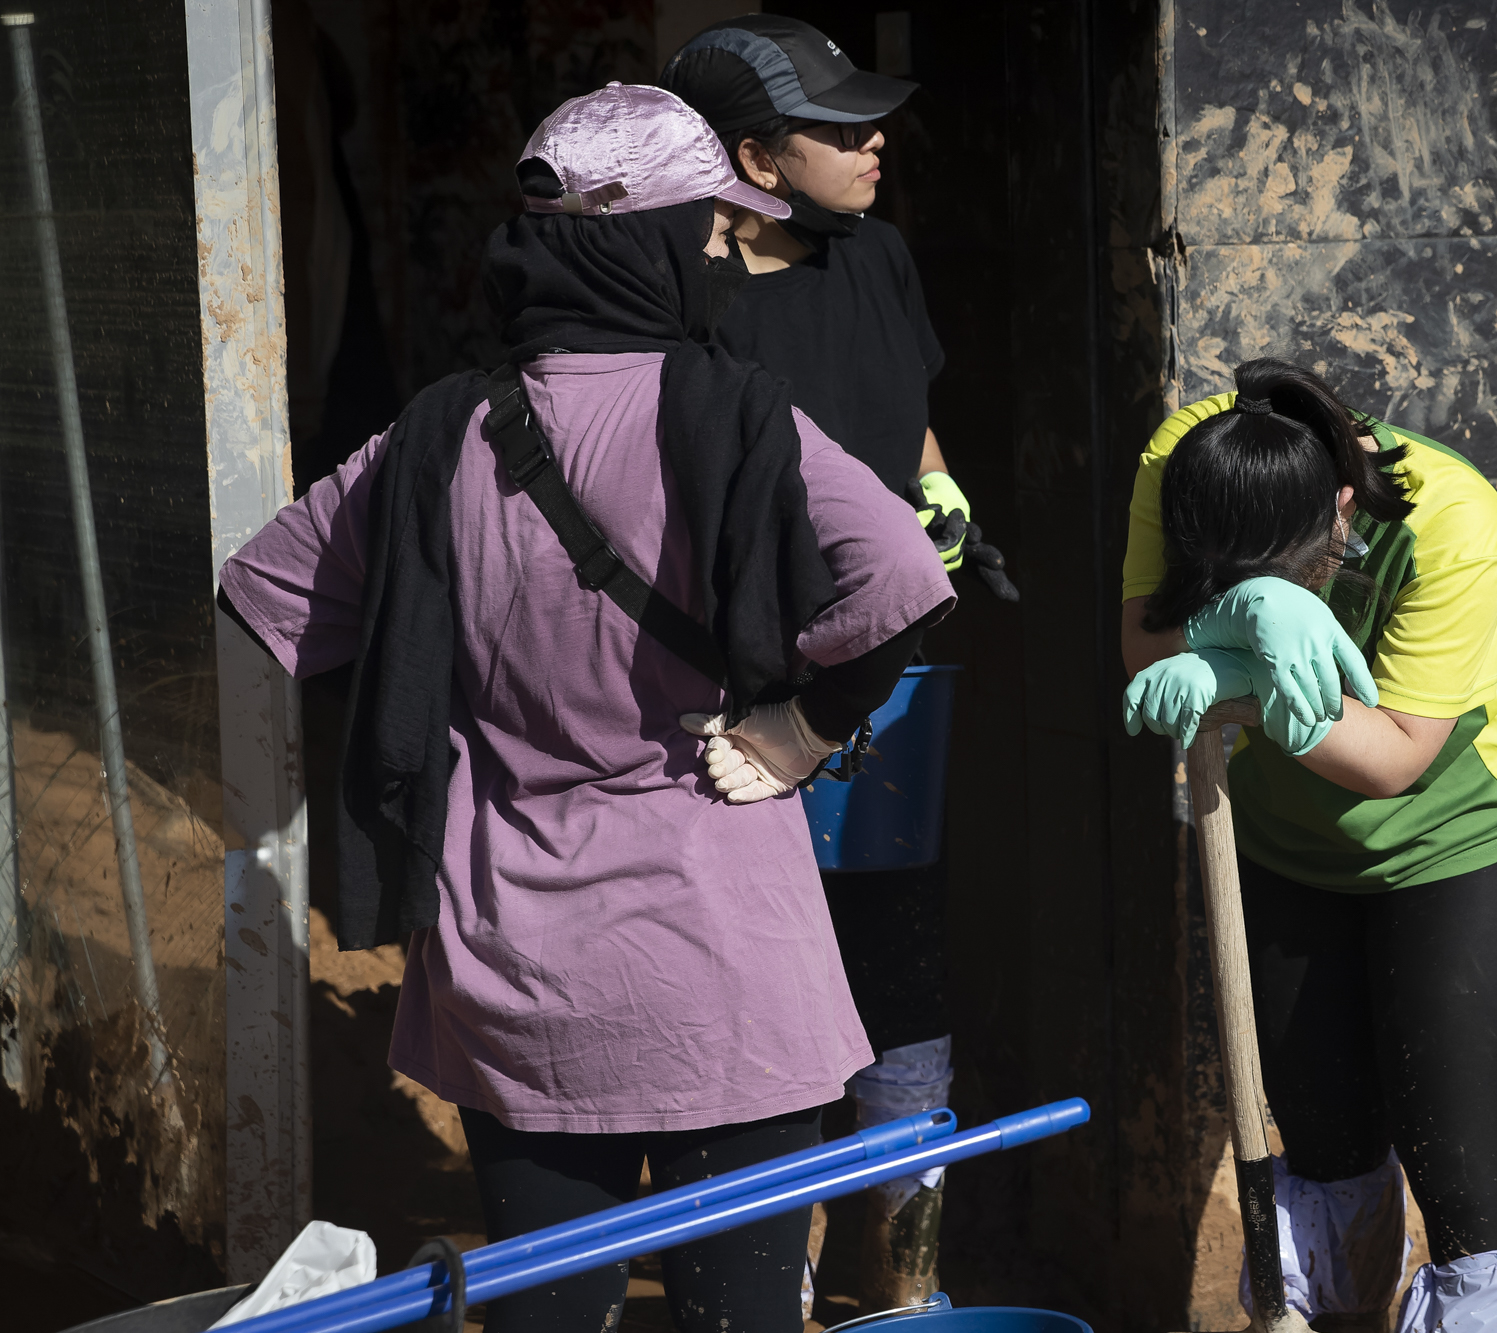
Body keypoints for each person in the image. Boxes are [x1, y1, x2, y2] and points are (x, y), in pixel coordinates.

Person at [217, 83, 953, 1333]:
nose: (725, 257)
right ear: (652, 247)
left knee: (546, 1318)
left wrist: (449, 681)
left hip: (516, 971)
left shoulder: (434, 435)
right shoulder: (736, 412)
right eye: (709, 236)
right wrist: (799, 730)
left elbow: (265, 595)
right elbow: (901, 578)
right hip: (725, 963)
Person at [662, 16, 1002, 1312]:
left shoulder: (883, 255)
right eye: (840, 127)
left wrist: (936, 485)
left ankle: (910, 1289)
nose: (876, 143)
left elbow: (908, 410)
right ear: (753, 154)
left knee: (900, 962)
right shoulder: (687, 298)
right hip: (745, 707)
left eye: (874, 120)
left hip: (891, 680)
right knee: (769, 1007)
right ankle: (778, 1293)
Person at [1120, 358, 1497, 1333]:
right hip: (1282, 845)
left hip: (1459, 838)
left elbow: (1394, 757)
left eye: (1281, 569)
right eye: (1226, 573)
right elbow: (1146, 646)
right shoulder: (1185, 463)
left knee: (1461, 1175)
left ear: (1337, 509)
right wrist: (1229, 616)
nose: (1252, 589)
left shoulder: (1449, 519)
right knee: (1322, 1149)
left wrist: (1234, 669)